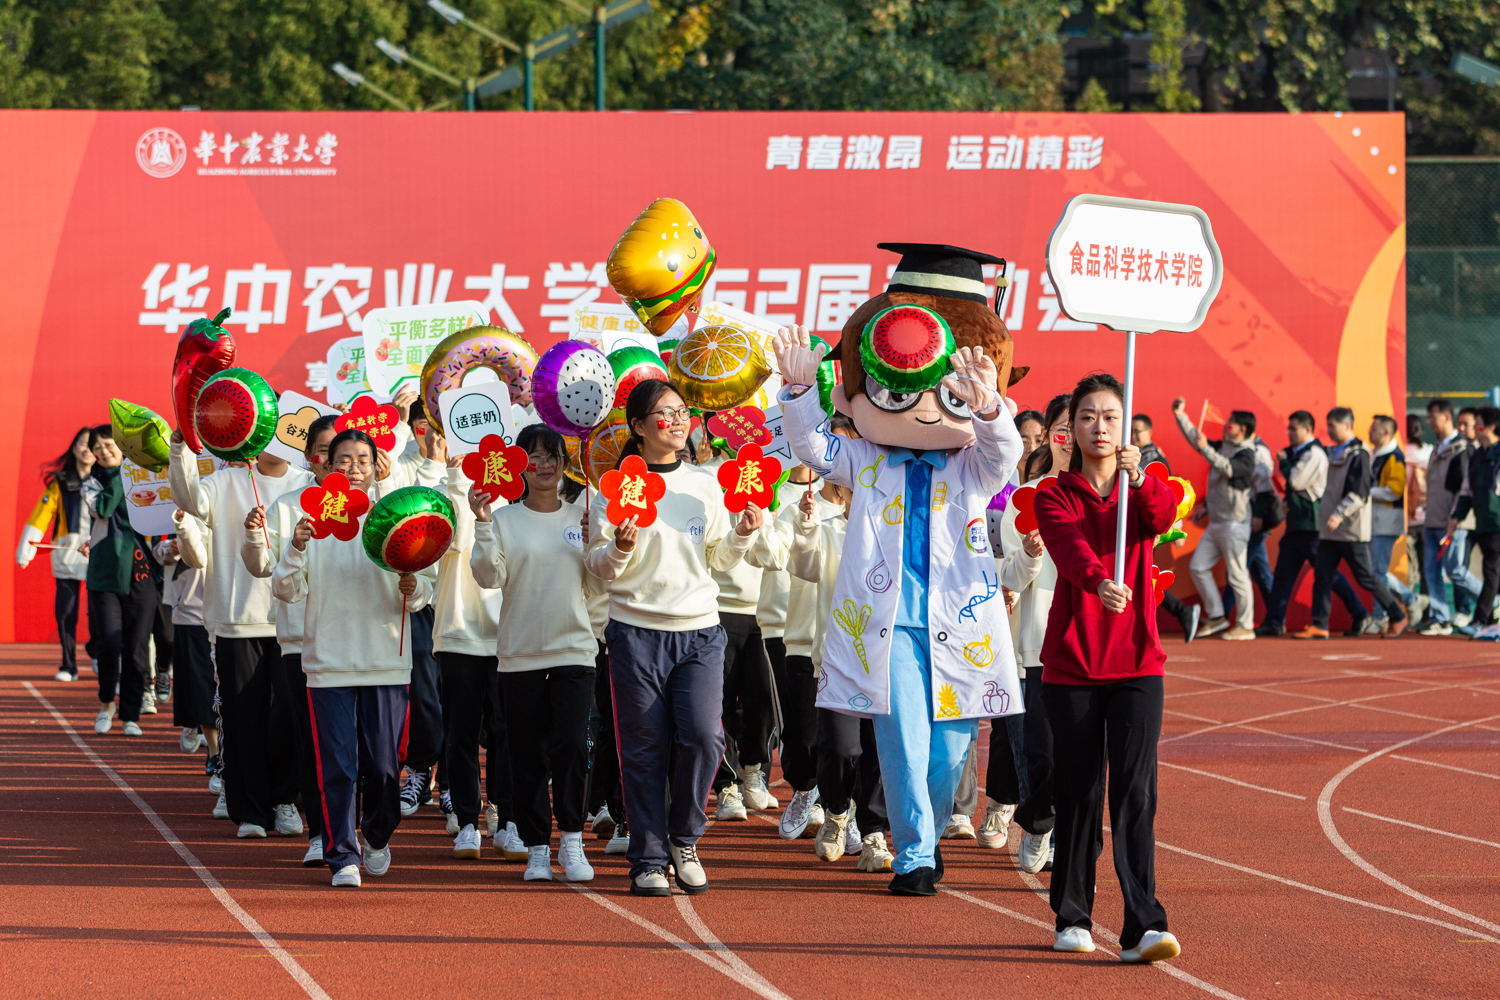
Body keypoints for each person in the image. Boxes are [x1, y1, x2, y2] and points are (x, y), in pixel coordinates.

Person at [773, 241, 1025, 899]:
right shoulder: (867, 462)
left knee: (950, 751)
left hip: (960, 620)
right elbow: (810, 445)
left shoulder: (971, 468)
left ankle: (930, 834)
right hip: (886, 626)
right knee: (905, 743)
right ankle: (914, 855)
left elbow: (1005, 453)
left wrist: (989, 404)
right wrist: (801, 389)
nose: (919, 408)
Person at [584, 380, 763, 897]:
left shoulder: (705, 484)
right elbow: (597, 568)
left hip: (700, 631)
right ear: (638, 426)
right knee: (643, 749)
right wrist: (618, 548)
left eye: (683, 411)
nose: (679, 421)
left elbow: (717, 560)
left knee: (706, 737)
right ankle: (648, 858)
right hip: (635, 634)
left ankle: (683, 838)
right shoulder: (612, 487)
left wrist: (742, 534)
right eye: (665, 413)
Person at [1035, 372, 1181, 963]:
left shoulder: (1145, 486)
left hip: (1138, 662)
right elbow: (1068, 549)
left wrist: (1139, 476)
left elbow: (1163, 516)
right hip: (1073, 664)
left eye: (1111, 417)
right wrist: (1098, 580)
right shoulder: (1053, 493)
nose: (1100, 426)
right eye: (1088, 416)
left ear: (1128, 428)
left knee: (1135, 793)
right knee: (1079, 792)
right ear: (1070, 429)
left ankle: (1144, 922)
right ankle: (1072, 914)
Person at [272, 428, 436, 888]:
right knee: (337, 765)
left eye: (363, 460)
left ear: (376, 465)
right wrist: (297, 545)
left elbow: (426, 587)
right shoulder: (312, 520)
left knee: (385, 765)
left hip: (386, 657)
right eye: (344, 459)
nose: (354, 468)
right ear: (327, 465)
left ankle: (378, 834)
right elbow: (285, 589)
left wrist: (415, 586)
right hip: (328, 661)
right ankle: (342, 852)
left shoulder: (395, 516)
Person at [471, 424, 599, 882]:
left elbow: (600, 582)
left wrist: (600, 542)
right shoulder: (504, 519)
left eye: (552, 456)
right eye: (533, 457)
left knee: (570, 748)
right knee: (526, 754)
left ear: (565, 464)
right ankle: (536, 848)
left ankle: (572, 840)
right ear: (516, 466)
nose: (543, 465)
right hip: (520, 654)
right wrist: (483, 524)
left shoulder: (582, 515)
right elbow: (489, 576)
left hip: (575, 652)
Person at [170, 423, 312, 839]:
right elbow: (188, 499)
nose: (280, 440)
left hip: (293, 619)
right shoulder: (224, 481)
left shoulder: (307, 485)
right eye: (272, 431)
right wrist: (180, 451)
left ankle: (285, 797)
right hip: (236, 620)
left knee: (288, 713)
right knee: (242, 715)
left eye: (290, 432)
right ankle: (250, 811)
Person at [783, 434, 897, 872]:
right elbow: (805, 567)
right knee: (839, 748)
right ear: (842, 488)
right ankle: (834, 813)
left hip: (886, 660)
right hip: (835, 660)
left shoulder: (896, 533)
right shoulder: (829, 530)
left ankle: (872, 835)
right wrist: (808, 527)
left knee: (878, 751)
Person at [241, 414, 340, 865]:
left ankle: (356, 829)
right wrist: (254, 538)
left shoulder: (376, 504)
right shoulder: (286, 505)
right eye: (324, 452)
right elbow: (264, 569)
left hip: (356, 643)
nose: (335, 461)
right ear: (309, 457)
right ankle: (322, 832)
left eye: (343, 452)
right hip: (301, 642)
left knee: (352, 743)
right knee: (310, 738)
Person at [1003, 393, 1073, 873]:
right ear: (1049, 435)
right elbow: (1009, 576)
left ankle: (1071, 844)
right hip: (1042, 646)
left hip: (1094, 649)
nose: (1078, 433)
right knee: (1042, 751)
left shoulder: (1116, 497)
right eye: (1067, 425)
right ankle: (1040, 821)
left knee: (1087, 759)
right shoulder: (1027, 497)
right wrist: (1029, 554)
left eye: (1093, 420)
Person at [751, 457, 830, 842]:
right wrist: (766, 517)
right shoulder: (785, 501)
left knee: (843, 733)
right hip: (792, 628)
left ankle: (839, 806)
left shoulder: (867, 504)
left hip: (845, 635)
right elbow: (773, 556)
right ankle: (806, 788)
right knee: (798, 728)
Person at [1292, 407, 1408, 639]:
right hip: (1329, 530)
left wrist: (1340, 514)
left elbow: (1360, 492)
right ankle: (1320, 624)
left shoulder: (1360, 454)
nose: (1329, 430)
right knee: (1322, 576)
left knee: (1366, 577)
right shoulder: (1332, 452)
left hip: (1350, 529)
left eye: (1333, 425)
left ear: (1347, 426)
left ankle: (1397, 616)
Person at [1257, 411, 1367, 636]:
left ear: (1307, 429)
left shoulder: (1315, 453)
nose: (1289, 433)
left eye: (1294, 428)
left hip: (1313, 526)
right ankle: (1274, 621)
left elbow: (1296, 482)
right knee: (1283, 576)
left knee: (1329, 576)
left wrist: (1285, 462)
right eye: (1288, 428)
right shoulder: (1298, 453)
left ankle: (1360, 613)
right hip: (1296, 526)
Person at [82, 424, 160, 737]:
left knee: (137, 647)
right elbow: (103, 507)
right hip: (104, 574)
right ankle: (106, 704)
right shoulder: (91, 483)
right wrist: (121, 473)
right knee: (109, 642)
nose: (103, 451)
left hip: (141, 573)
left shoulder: (143, 475)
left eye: (108, 445)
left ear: (122, 446)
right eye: (97, 447)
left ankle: (130, 713)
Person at [1171, 400, 1256, 639]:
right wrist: (1180, 415)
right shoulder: (1222, 446)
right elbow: (1197, 441)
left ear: (1242, 429)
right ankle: (1217, 617)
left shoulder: (1248, 453)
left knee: (1238, 576)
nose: (1226, 424)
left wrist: (1207, 449)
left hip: (1235, 525)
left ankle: (1246, 625)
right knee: (1198, 567)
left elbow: (1229, 470)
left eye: (1232, 423)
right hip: (1217, 524)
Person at [18, 426, 95, 681]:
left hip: (99, 555)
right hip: (66, 556)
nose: (87, 449)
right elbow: (41, 517)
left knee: (100, 613)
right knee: (66, 612)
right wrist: (27, 547)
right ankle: (68, 665)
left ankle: (98, 653)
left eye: (91, 444)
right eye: (82, 444)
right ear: (74, 447)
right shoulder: (60, 482)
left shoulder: (108, 480)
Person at [158, 509, 217, 765]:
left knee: (223, 686)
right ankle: (215, 755)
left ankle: (218, 747)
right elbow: (158, 551)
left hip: (232, 613)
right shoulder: (177, 512)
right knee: (201, 684)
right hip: (192, 612)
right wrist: (172, 546)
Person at [1420, 398, 1481, 635]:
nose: (1429, 422)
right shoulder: (1436, 447)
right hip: (1432, 521)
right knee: (1432, 571)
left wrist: (1455, 518)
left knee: (1455, 569)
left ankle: (1493, 602)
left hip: (1453, 523)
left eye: (1433, 417)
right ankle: (1440, 618)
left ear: (1447, 417)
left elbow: (1463, 489)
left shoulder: (1463, 448)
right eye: (1428, 417)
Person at [1450, 407, 1500, 639]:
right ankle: (1489, 619)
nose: (1474, 429)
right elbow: (1467, 491)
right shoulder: (1477, 456)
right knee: (1493, 573)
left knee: (1491, 571)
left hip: (1497, 523)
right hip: (1483, 522)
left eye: (1478, 424)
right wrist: (1456, 517)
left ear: (1490, 427)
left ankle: (1481, 620)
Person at [1221, 424, 1278, 624]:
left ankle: (1222, 615)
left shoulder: (1258, 451)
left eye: (1232, 424)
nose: (1228, 429)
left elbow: (1265, 487)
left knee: (1238, 569)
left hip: (1254, 519)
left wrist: (1259, 516)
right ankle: (1276, 617)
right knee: (1260, 573)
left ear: (1243, 429)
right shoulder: (1243, 449)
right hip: (1246, 516)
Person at [1367, 415, 1414, 627]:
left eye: (1373, 428)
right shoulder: (1373, 454)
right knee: (1374, 570)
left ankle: (1380, 616)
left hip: (1386, 523)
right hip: (1372, 522)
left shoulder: (1395, 457)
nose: (1369, 431)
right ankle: (1409, 598)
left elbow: (1394, 491)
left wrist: (1366, 492)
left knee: (1376, 571)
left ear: (1386, 432)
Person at [1404, 414, 1431, 624]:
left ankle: (1413, 609)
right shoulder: (1430, 453)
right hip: (1427, 517)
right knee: (1427, 568)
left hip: (1408, 520)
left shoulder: (1401, 455)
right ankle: (1428, 613)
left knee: (1411, 569)